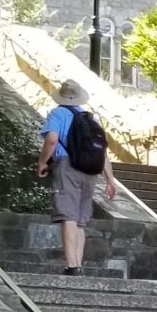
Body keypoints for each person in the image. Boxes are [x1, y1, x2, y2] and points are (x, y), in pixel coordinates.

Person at [37, 80, 112, 275]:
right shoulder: (89, 119)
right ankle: (78, 264)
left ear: (61, 96)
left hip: (66, 166)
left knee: (68, 216)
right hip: (90, 171)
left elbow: (52, 139)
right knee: (80, 220)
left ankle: (71, 266)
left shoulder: (58, 113)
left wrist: (43, 161)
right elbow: (102, 152)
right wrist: (110, 180)